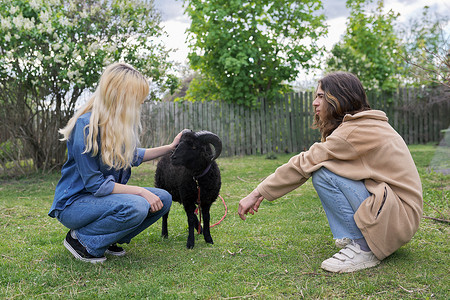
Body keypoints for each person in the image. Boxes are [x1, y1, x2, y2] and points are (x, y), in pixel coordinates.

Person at [238, 71, 423, 273]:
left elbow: (304, 163)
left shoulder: (354, 131)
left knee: (322, 172)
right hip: (397, 216)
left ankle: (363, 247)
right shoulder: (364, 125)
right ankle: (360, 237)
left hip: (397, 218)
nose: (314, 103)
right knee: (326, 166)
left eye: (320, 96)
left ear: (339, 98)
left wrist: (257, 192)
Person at [49, 62, 183, 263]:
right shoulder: (85, 126)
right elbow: (95, 185)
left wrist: (170, 147)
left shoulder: (114, 126)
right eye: (137, 99)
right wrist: (141, 191)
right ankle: (82, 241)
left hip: (100, 203)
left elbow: (133, 156)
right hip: (74, 205)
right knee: (138, 205)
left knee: (163, 198)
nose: (139, 104)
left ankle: (108, 237)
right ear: (121, 97)